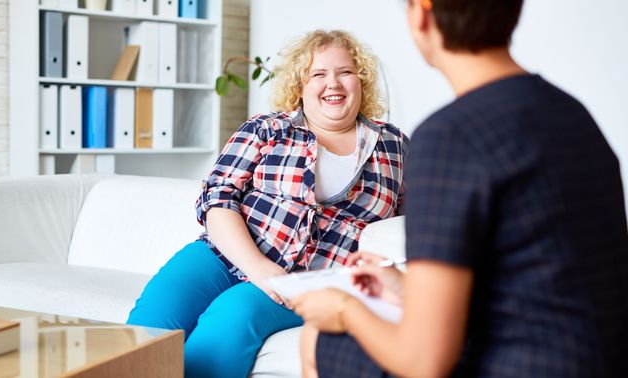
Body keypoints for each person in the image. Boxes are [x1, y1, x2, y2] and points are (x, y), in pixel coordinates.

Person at [291, 0, 628, 377]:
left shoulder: (449, 136)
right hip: (592, 359)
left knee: (318, 338)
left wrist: (343, 309)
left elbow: (424, 363)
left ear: (421, 14)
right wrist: (406, 288)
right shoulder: (572, 115)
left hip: (518, 365)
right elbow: (536, 276)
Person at [126, 29, 408, 377]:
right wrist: (259, 268)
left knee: (230, 321)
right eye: (317, 74)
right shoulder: (265, 129)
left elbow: (415, 220)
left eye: (345, 72)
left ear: (361, 81)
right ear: (300, 86)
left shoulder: (394, 145)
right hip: (220, 257)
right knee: (146, 329)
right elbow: (218, 198)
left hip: (306, 279)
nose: (332, 83)